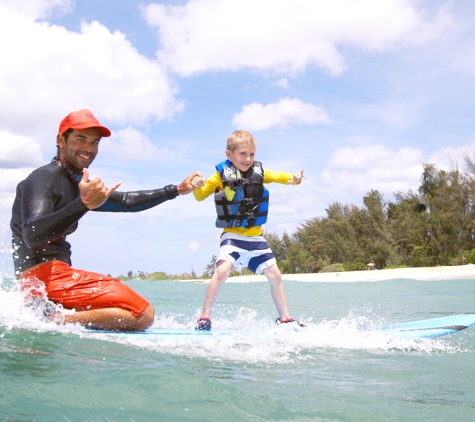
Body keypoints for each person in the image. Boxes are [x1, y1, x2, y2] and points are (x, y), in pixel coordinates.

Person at [10, 109, 202, 332]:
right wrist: (83, 203)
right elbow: (33, 234)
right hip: (46, 278)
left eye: (95, 142)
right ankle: (52, 319)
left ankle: (52, 313)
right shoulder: (44, 178)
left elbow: (126, 201)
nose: (89, 148)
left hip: (44, 284)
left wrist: (176, 190)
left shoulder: (74, 183)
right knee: (141, 314)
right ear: (60, 140)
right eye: (80, 139)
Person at [191, 129, 307, 330]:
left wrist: (295, 179)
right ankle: (204, 317)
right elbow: (201, 195)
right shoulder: (220, 176)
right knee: (223, 270)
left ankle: (285, 318)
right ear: (229, 154)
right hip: (232, 236)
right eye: (242, 154)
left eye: (252, 154)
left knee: (275, 275)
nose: (248, 159)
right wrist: (197, 186)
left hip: (256, 237)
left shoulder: (259, 172)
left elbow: (281, 177)